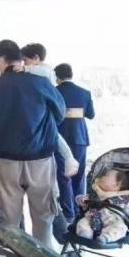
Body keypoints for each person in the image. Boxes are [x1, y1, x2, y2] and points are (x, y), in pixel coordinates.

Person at [0, 40, 65, 249]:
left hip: (7, 160)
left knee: (9, 219)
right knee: (43, 217)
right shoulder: (40, 82)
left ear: (0, 59)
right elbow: (60, 113)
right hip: (40, 159)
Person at [19, 44, 80, 179]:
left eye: (25, 60)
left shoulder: (45, 70)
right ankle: (69, 158)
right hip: (46, 109)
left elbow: (42, 72)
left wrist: (25, 68)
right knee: (54, 135)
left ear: (36, 57)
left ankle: (69, 158)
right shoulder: (40, 71)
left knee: (55, 136)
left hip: (47, 109)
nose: (24, 63)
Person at [54, 63, 95, 222]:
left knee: (63, 175)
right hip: (80, 138)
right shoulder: (84, 93)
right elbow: (91, 114)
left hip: (60, 138)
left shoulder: (54, 92)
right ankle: (80, 210)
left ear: (57, 77)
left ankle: (68, 211)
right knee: (79, 174)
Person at [75, 169, 129, 243]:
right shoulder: (95, 193)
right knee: (83, 222)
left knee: (120, 227)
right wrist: (81, 200)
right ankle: (85, 234)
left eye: (106, 176)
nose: (102, 177)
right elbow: (84, 202)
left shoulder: (125, 198)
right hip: (93, 217)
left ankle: (105, 237)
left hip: (114, 221)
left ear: (117, 184)